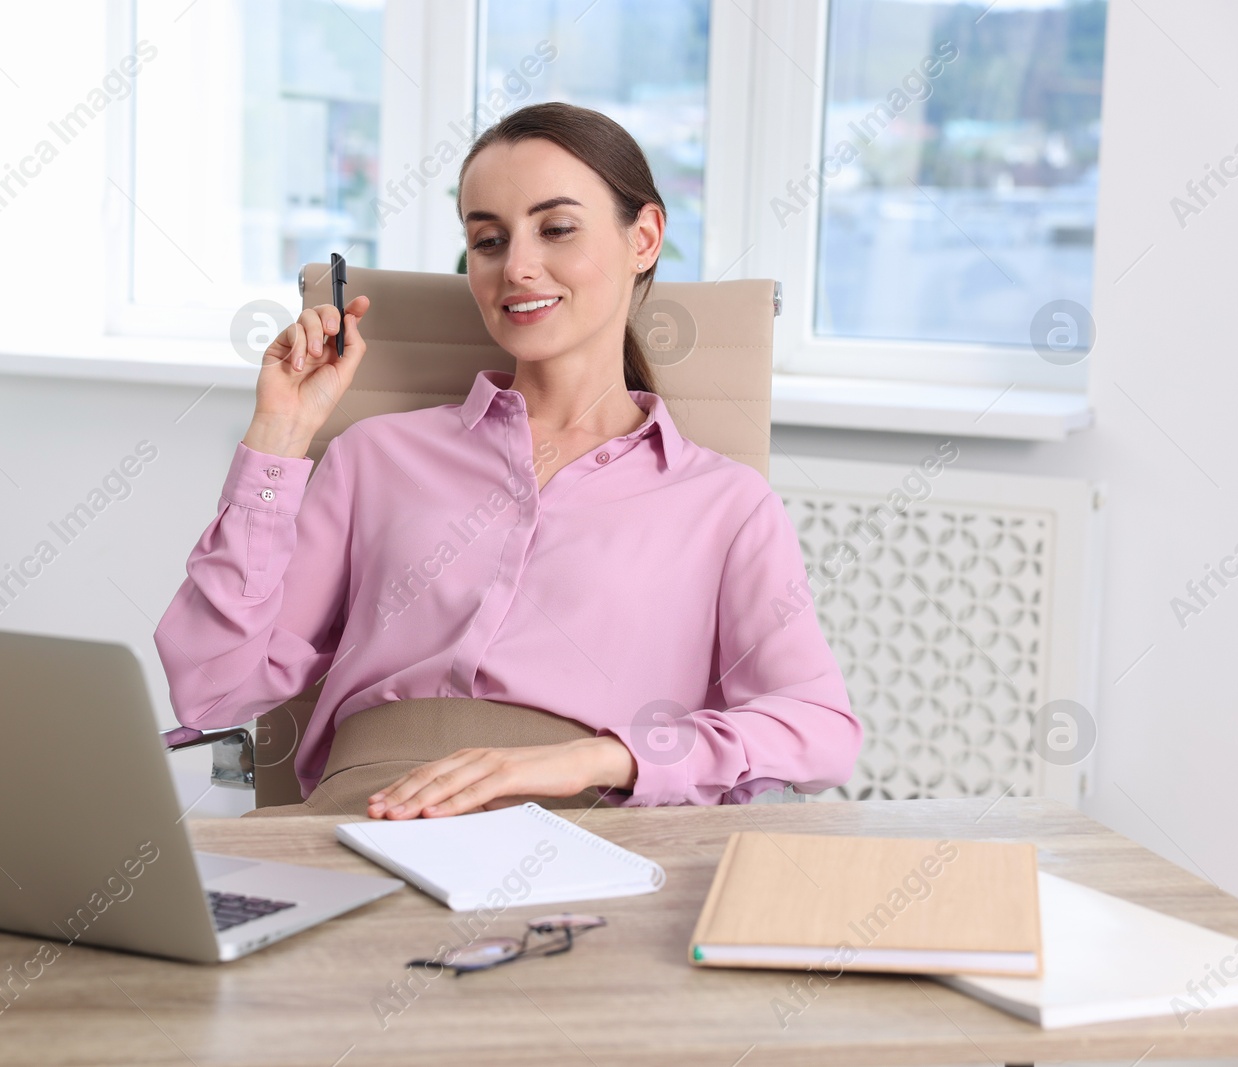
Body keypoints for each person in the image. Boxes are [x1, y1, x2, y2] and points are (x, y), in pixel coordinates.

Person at [156, 102, 860, 820]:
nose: (517, 267)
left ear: (644, 237)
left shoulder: (723, 503)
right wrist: (278, 432)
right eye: (488, 240)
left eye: (556, 229)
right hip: (357, 818)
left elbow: (819, 729)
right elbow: (214, 688)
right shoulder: (373, 456)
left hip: (579, 837)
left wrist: (599, 756)